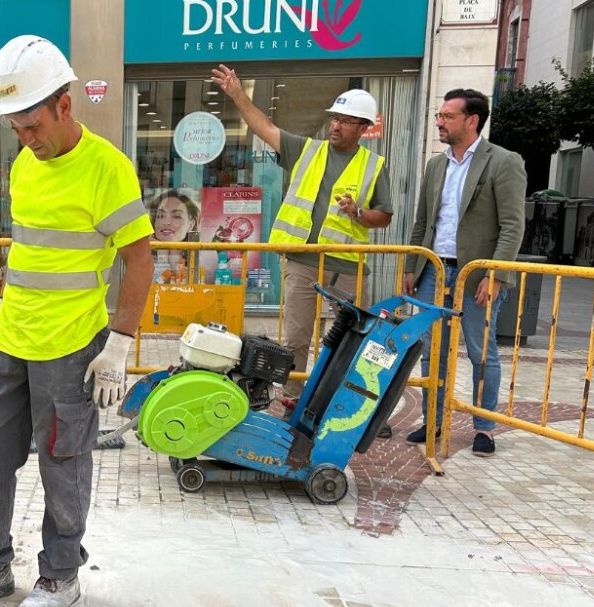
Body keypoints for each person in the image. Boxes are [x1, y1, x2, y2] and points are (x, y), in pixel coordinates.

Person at [0, 34, 153, 607]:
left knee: (63, 460)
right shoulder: (24, 166)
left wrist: (119, 344)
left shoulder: (107, 169)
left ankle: (60, 574)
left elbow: (139, 259)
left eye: (31, 124)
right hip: (13, 337)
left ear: (65, 105)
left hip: (71, 342)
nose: (24, 140)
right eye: (14, 128)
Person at [212, 65, 394, 423]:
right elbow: (264, 127)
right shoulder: (307, 151)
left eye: (346, 121)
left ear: (364, 128)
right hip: (303, 261)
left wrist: (358, 213)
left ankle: (343, 406)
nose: (336, 126)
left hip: (347, 265)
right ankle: (292, 402)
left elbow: (385, 216)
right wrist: (237, 95)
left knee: (350, 340)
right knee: (296, 337)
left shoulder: (374, 165)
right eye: (334, 119)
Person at [403, 88, 526, 457]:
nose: (439, 122)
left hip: (477, 274)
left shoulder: (504, 162)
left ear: (471, 121)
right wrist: (412, 265)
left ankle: (484, 428)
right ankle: (433, 420)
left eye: (447, 116)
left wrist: (495, 273)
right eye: (439, 115)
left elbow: (513, 225)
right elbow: (423, 220)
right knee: (430, 352)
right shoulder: (435, 165)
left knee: (480, 351)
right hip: (433, 271)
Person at [149, 188, 199, 284]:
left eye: (176, 216)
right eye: (160, 216)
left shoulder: (200, 254)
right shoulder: (143, 252)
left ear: (191, 224)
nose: (166, 222)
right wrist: (162, 255)